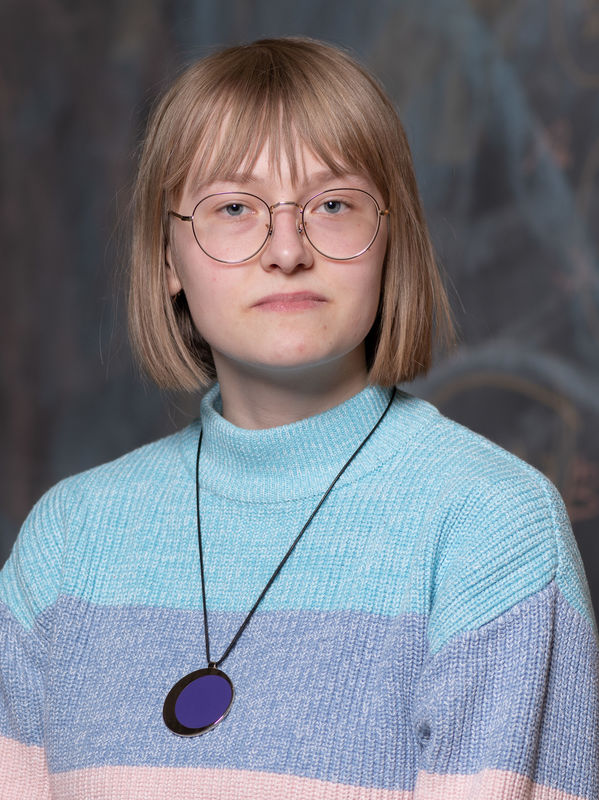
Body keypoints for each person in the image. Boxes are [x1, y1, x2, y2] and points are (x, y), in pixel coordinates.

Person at [1, 36, 597, 800]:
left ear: (392, 241)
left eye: (334, 205)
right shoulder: (65, 541)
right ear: (165, 259)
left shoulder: (490, 531)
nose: (287, 249)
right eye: (234, 208)